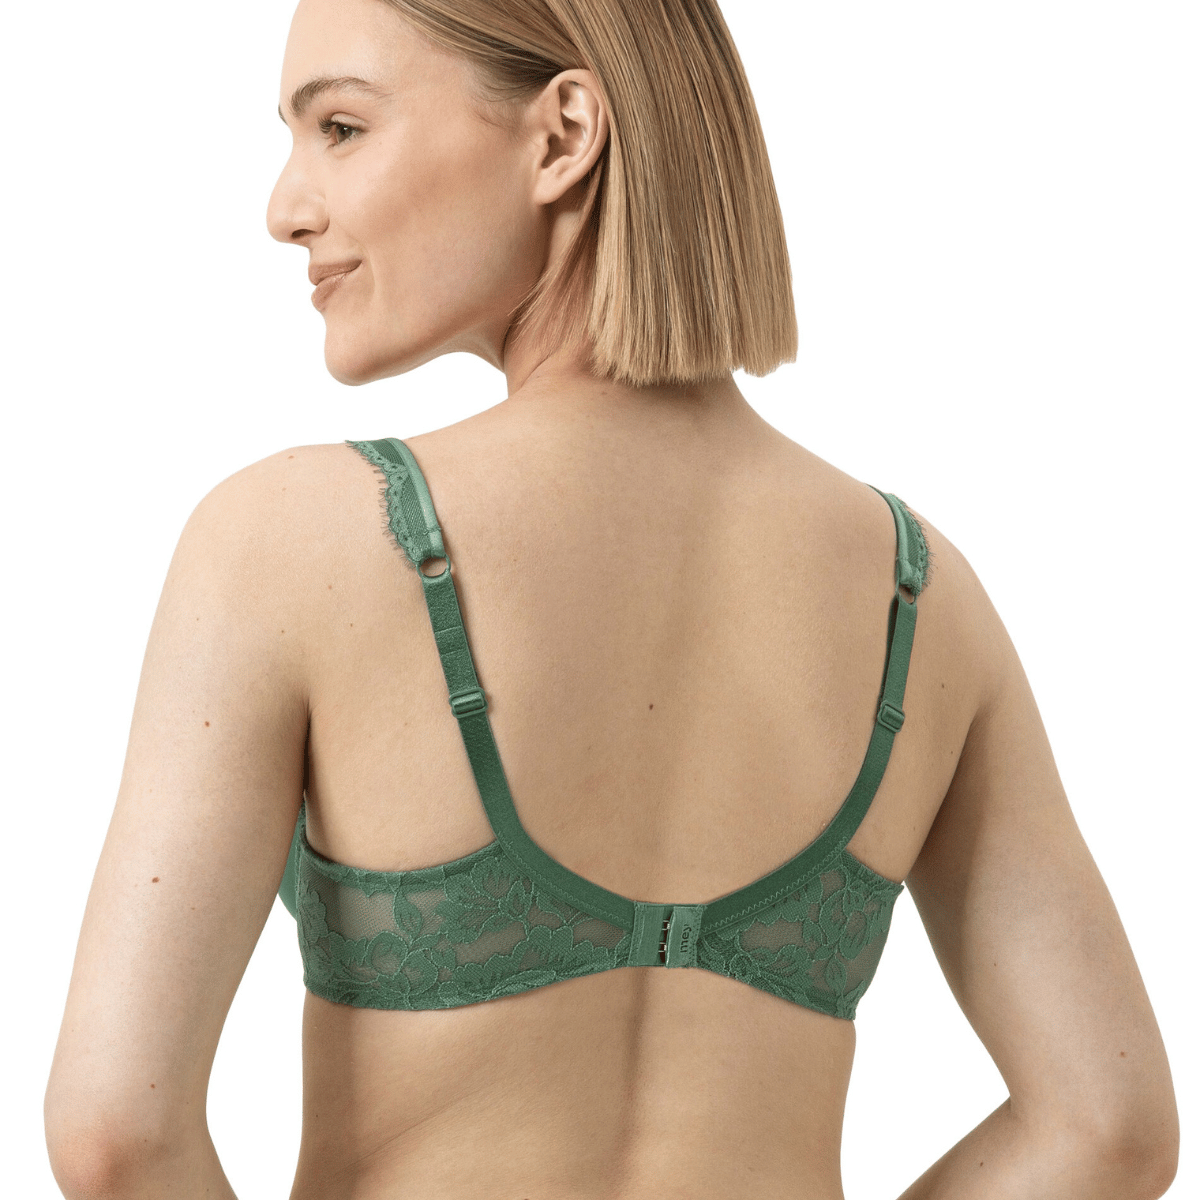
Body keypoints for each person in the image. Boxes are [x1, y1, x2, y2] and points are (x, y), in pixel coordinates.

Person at [43, 0, 1179, 1197]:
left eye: (340, 127)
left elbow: (118, 1133)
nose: (285, 208)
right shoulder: (921, 593)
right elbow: (1109, 1127)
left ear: (563, 136)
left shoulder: (294, 543)